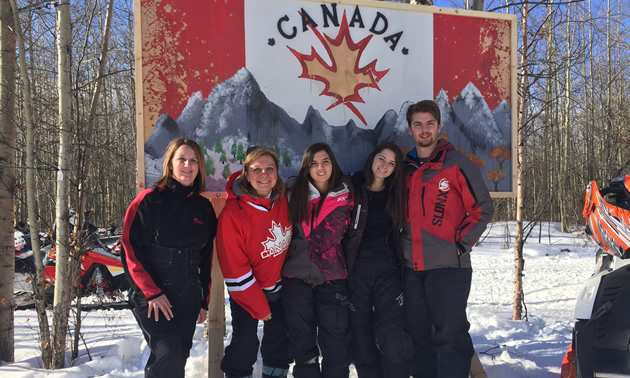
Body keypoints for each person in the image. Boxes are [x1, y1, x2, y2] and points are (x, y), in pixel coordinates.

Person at [402, 100, 494, 378]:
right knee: (418, 336)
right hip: (411, 267)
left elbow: (483, 208)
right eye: (418, 124)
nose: (424, 129)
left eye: (430, 123)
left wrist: (459, 245)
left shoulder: (456, 163)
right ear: (410, 130)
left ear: (439, 127)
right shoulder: (403, 169)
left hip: (448, 267)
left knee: (450, 337)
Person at [121, 138, 217, 378]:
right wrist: (151, 292)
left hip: (188, 295)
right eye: (181, 159)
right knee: (169, 353)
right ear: (170, 164)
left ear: (200, 167)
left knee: (178, 356)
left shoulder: (204, 209)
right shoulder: (149, 201)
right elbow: (129, 248)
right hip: (153, 295)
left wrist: (204, 300)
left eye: (193, 160)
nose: (188, 165)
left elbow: (206, 259)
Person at [217, 146, 293, 378]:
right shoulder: (233, 213)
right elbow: (235, 269)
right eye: (256, 169)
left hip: (279, 288)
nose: (264, 174)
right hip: (247, 292)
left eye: (270, 168)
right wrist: (260, 306)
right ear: (246, 173)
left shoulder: (283, 202)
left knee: (280, 341)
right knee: (245, 343)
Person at [281, 142, 354, 378]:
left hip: (332, 276)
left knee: (336, 343)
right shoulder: (293, 194)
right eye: (314, 163)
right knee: (302, 342)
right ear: (306, 168)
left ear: (333, 164)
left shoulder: (347, 195)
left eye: (325, 162)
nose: (320, 168)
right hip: (296, 276)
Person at [342, 142, 412, 378]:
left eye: (392, 163)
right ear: (372, 158)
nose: (385, 166)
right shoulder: (351, 187)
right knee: (360, 334)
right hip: (356, 268)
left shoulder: (397, 192)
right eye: (382, 159)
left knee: (392, 333)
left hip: (388, 269)